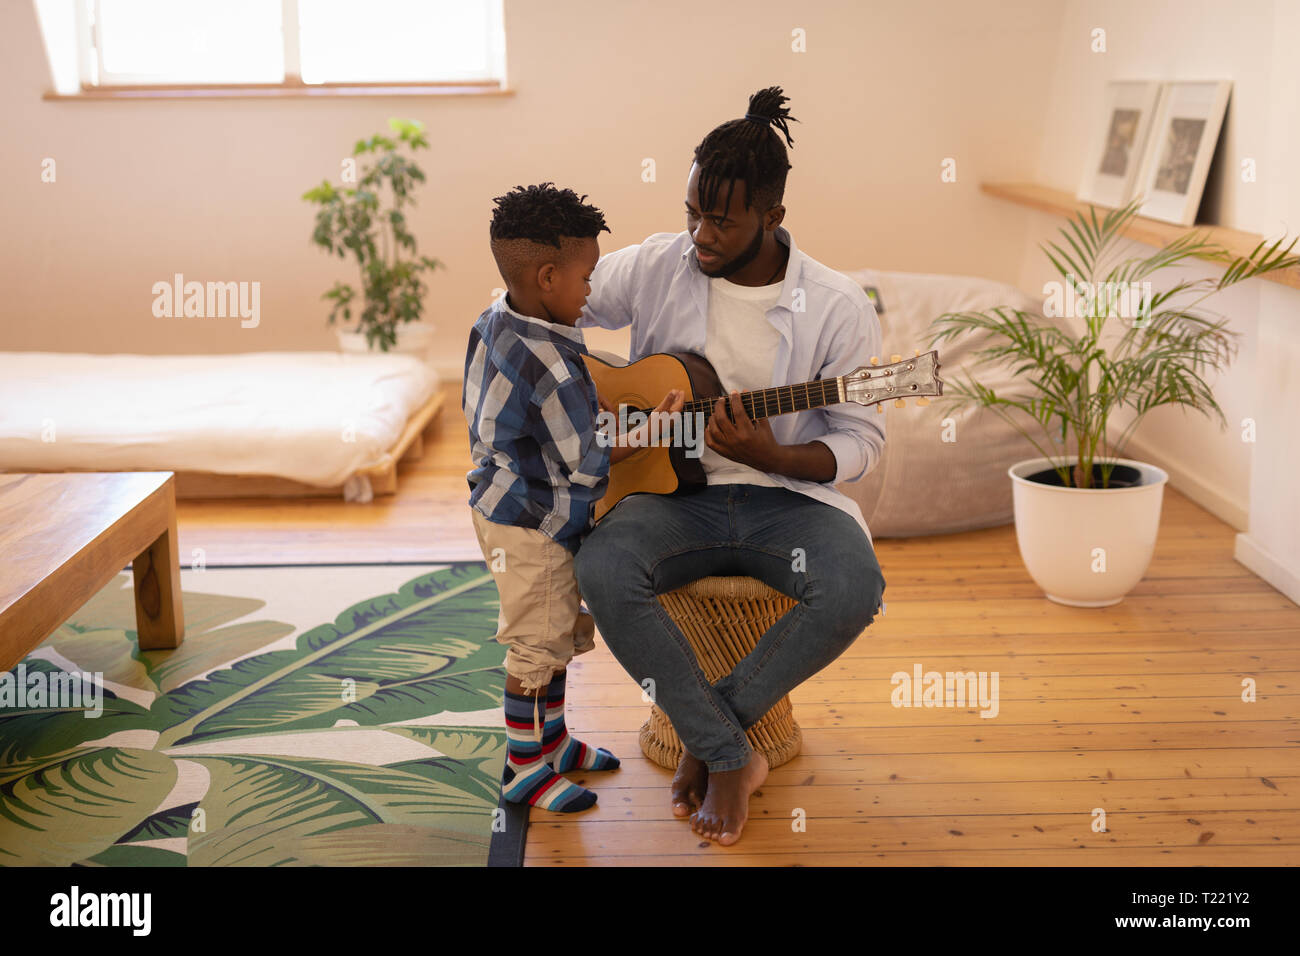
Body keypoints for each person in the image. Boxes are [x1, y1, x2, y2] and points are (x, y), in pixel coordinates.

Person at [574, 87, 887, 844]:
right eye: (692, 212)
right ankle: (727, 754)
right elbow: (561, 308)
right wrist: (591, 407)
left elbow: (862, 441)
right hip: (668, 496)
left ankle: (714, 742)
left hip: (786, 500)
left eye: (722, 220)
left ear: (773, 216)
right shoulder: (657, 263)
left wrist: (772, 453)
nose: (700, 235)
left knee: (853, 586)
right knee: (603, 571)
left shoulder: (839, 306)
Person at [463, 182, 683, 813]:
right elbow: (587, 460)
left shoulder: (497, 315)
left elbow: (547, 417)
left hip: (503, 499)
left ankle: (553, 743)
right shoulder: (555, 369)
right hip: (532, 522)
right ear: (549, 276)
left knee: (556, 634)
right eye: (586, 276)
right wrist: (650, 433)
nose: (592, 288)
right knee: (536, 645)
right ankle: (522, 767)